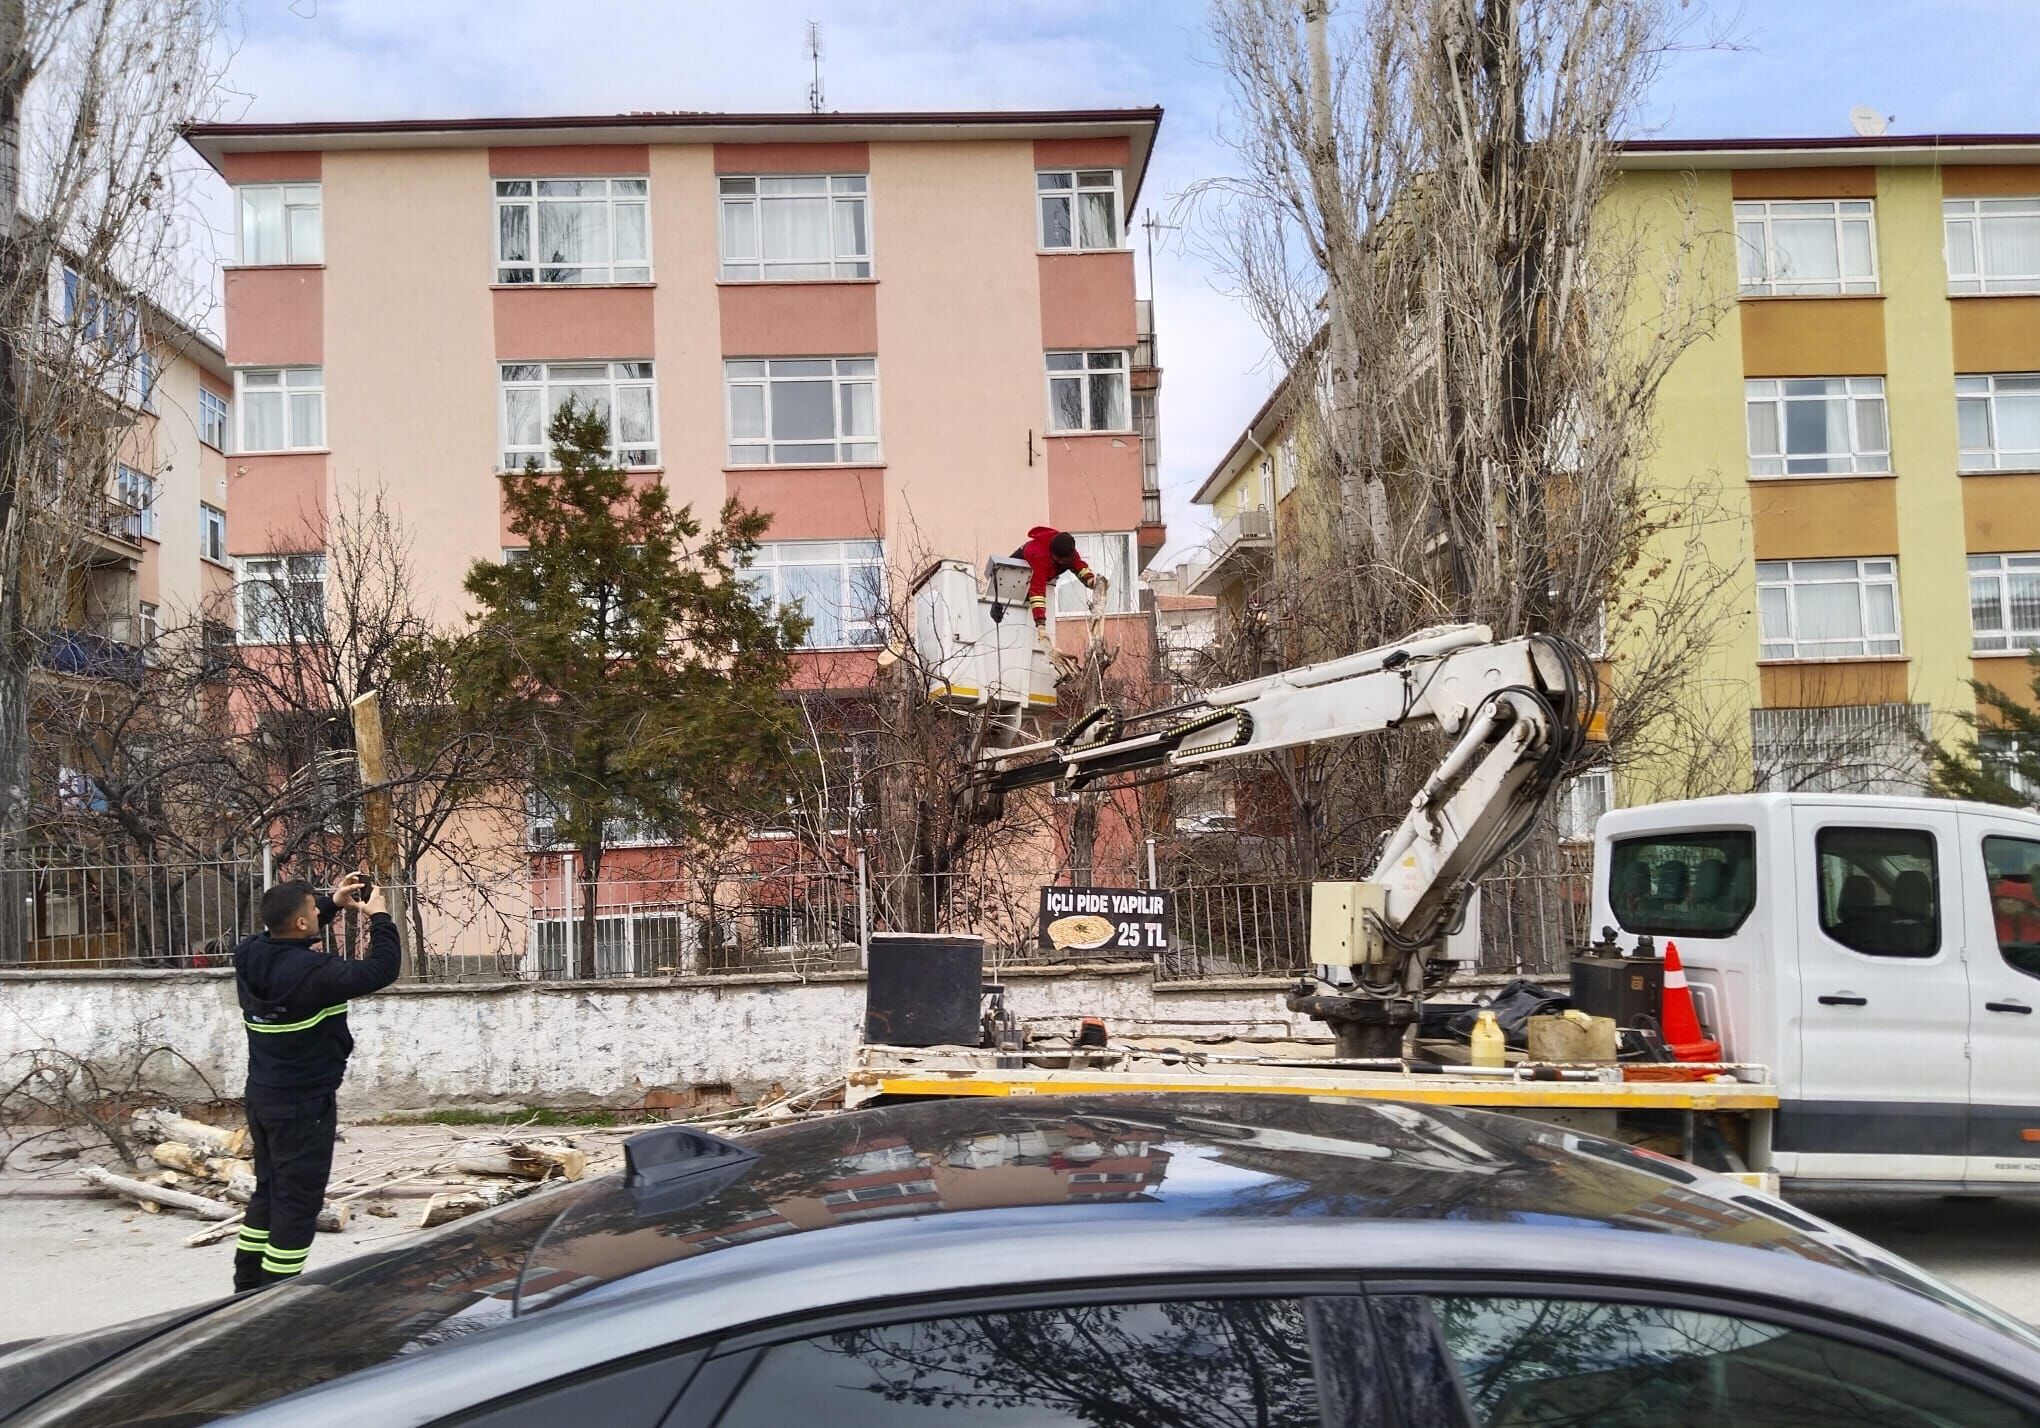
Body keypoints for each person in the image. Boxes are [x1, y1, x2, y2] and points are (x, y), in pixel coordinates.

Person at [230, 873, 401, 1291]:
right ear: (303, 923)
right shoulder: (315, 974)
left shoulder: (249, 954)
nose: (317, 910)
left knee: (269, 1191)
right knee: (298, 1203)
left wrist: (332, 904)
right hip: (304, 1106)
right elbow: (383, 969)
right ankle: (275, 1300)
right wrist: (380, 917)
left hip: (262, 1097)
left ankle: (246, 1290)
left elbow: (284, 933)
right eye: (312, 908)